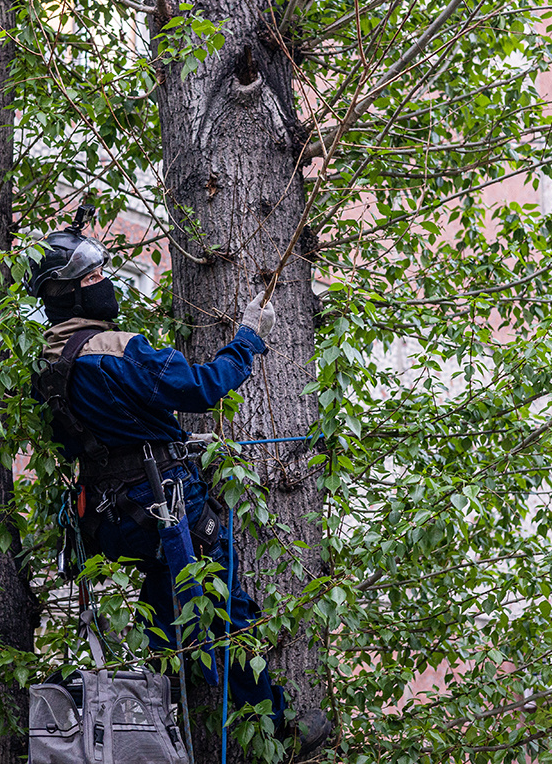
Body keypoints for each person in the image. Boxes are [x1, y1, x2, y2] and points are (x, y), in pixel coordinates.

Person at [28, 220, 332, 757]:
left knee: (163, 616)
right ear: (73, 290)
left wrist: (173, 441)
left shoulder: (51, 363)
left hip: (112, 519)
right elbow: (203, 386)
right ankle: (280, 730)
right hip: (167, 508)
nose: (106, 280)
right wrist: (248, 338)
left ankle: (161, 733)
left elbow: (105, 434)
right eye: (95, 273)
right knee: (225, 607)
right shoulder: (120, 349)